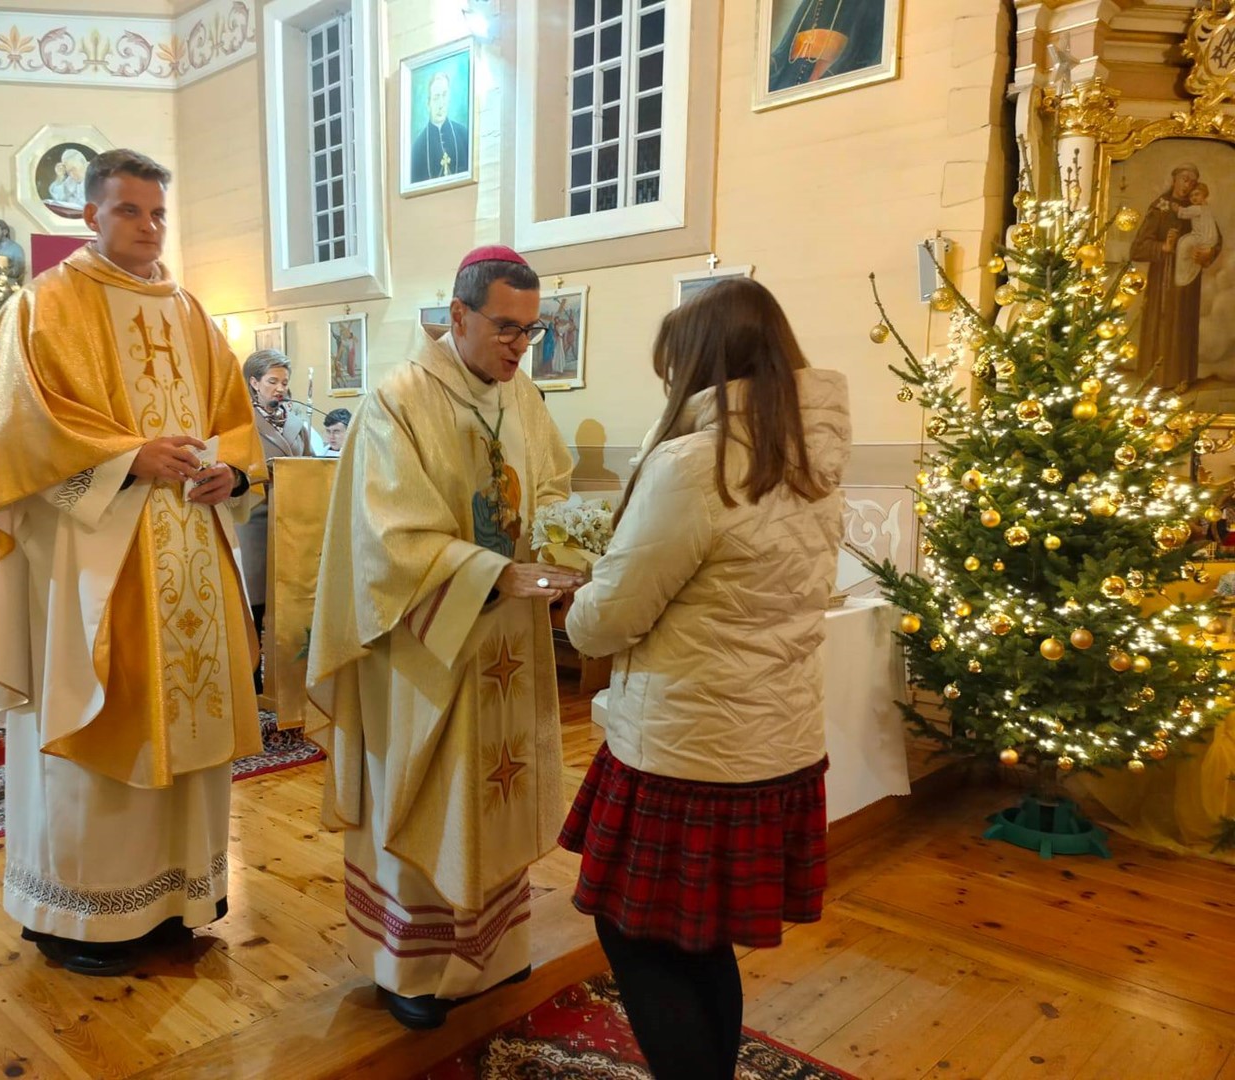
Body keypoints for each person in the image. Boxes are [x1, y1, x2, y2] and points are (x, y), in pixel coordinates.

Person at [0, 149, 268, 977]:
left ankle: (176, 899)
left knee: (186, 725)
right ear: (89, 215)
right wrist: (130, 458)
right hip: (94, 560)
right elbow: (23, 435)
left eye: (158, 211)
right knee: (101, 715)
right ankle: (80, 914)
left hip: (191, 554)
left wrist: (230, 470)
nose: (148, 226)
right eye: (129, 210)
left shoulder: (192, 313)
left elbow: (234, 420)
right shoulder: (44, 307)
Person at [557, 278, 851, 1080]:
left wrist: (578, 599)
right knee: (700, 936)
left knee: (637, 934)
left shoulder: (696, 463)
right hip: (772, 742)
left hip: (687, 748)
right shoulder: (810, 456)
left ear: (699, 367)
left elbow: (609, 617)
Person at [306, 245, 582, 1030]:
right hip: (424, 645)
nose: (517, 346)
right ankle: (412, 964)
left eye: (529, 331)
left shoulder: (518, 396)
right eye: (503, 327)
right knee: (432, 790)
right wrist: (490, 574)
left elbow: (553, 483)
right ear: (456, 315)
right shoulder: (397, 400)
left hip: (505, 640)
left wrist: (560, 544)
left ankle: (493, 952)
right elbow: (389, 540)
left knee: (496, 787)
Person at [236, 348, 320, 691]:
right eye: (272, 381)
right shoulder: (240, 422)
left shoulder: (297, 421)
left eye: (284, 382)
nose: (279, 388)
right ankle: (252, 687)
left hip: (293, 524)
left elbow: (312, 466)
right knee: (255, 608)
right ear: (254, 382)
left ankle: (288, 684)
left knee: (288, 605)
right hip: (254, 522)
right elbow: (234, 466)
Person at [1130, 163, 1223, 389]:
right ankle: (1156, 378)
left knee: (1184, 325)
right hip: (1163, 278)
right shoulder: (1160, 207)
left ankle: (1182, 377)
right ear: (1174, 180)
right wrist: (1163, 247)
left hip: (1189, 280)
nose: (1187, 184)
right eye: (1184, 179)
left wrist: (1209, 252)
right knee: (1163, 324)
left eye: (1192, 181)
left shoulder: (1198, 206)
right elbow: (1138, 248)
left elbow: (1215, 238)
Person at [768, 0, 885, 90]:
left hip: (831, 75)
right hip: (792, 76)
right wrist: (772, 62)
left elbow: (865, 48)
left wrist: (829, 75)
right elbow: (786, 48)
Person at [410, 72, 469, 184]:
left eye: (444, 95)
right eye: (436, 98)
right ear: (428, 104)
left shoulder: (464, 135)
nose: (441, 104)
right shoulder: (417, 148)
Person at [1175, 183, 1218, 288]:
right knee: (1184, 242)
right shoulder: (1206, 208)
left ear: (1204, 195)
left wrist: (1177, 209)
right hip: (1208, 239)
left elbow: (1184, 213)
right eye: (1191, 196)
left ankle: (1183, 275)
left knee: (1183, 243)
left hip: (1200, 237)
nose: (1193, 198)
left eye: (1197, 194)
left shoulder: (1197, 208)